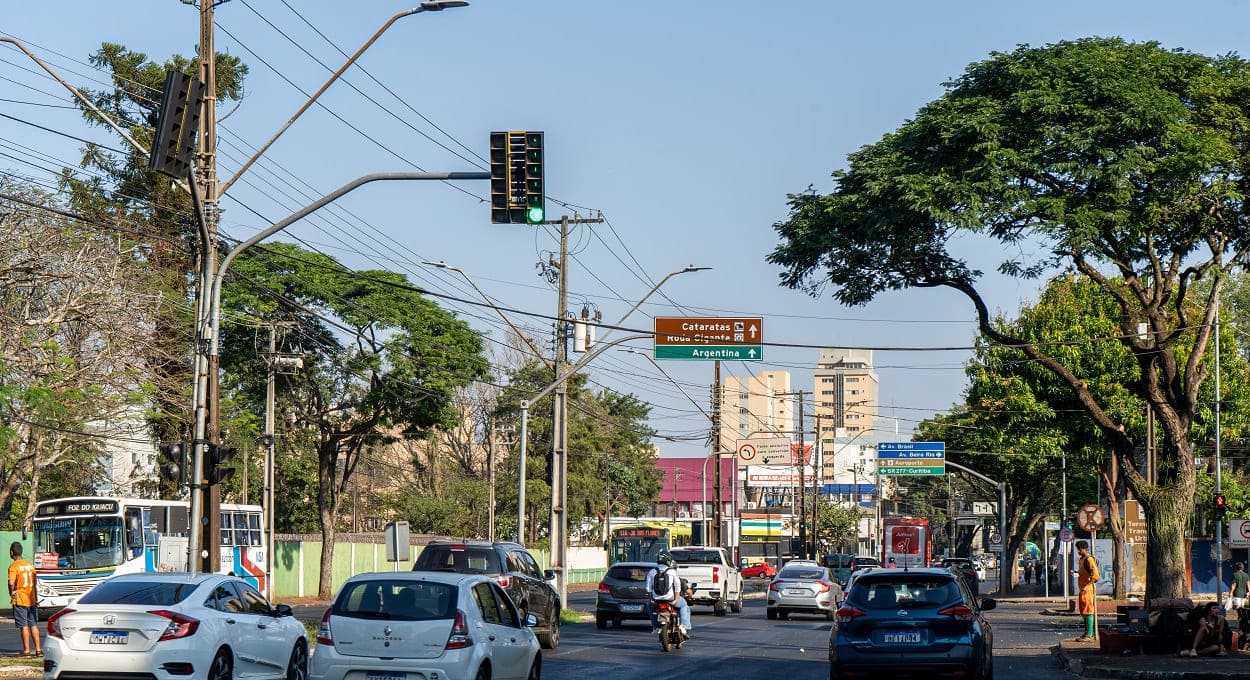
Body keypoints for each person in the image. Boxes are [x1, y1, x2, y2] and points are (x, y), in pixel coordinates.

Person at [646, 551, 691, 637]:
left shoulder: (652, 571)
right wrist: (676, 600)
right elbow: (678, 586)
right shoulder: (672, 572)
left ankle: (655, 627)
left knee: (649, 606)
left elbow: (648, 588)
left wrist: (651, 599)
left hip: (656, 600)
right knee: (684, 605)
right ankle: (684, 626)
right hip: (670, 599)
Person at [7, 542, 40, 658]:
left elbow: (11, 582)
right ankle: (38, 650)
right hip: (31, 598)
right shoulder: (30, 565)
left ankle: (26, 651)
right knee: (33, 624)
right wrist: (36, 598)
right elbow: (35, 583)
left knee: (23, 625)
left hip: (20, 598)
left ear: (12, 552)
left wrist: (12, 593)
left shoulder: (14, 566)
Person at [1072, 540, 1099, 642]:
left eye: (1079, 549)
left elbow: (1095, 575)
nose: (1078, 551)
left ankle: (1090, 634)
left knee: (1088, 611)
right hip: (1082, 589)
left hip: (1087, 589)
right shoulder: (1081, 560)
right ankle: (1086, 632)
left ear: (1083, 549)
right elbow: (1082, 573)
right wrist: (1075, 573)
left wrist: (1087, 586)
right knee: (1083, 612)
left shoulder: (1089, 559)